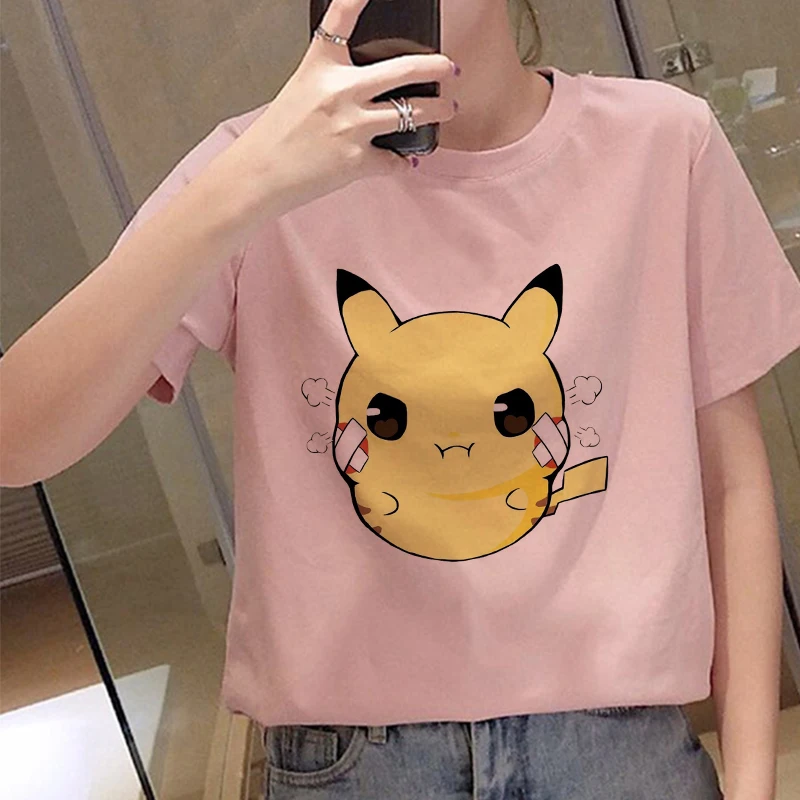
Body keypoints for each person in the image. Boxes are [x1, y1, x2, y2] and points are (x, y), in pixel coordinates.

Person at [3, 0, 799, 797]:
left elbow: (732, 486)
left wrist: (753, 783)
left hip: (620, 751)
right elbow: (17, 441)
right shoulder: (255, 167)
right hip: (357, 765)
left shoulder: (663, 141)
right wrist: (242, 188)